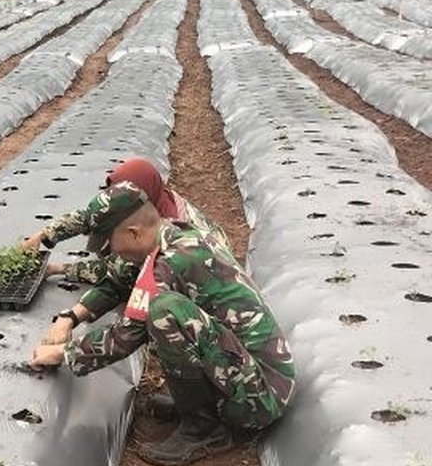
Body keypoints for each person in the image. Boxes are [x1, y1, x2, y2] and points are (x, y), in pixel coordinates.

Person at [29, 183, 295, 466]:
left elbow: (126, 335)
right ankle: (197, 406)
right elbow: (117, 281)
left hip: (260, 397)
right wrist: (70, 319)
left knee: (164, 312)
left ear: (133, 233)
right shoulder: (169, 236)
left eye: (109, 243)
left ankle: (204, 429)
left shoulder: (175, 260)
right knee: (166, 312)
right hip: (242, 371)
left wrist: (63, 354)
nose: (109, 253)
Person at [21, 156, 229, 284]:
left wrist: (59, 269)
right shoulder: (150, 196)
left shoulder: (171, 231)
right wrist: (44, 235)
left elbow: (119, 273)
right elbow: (96, 215)